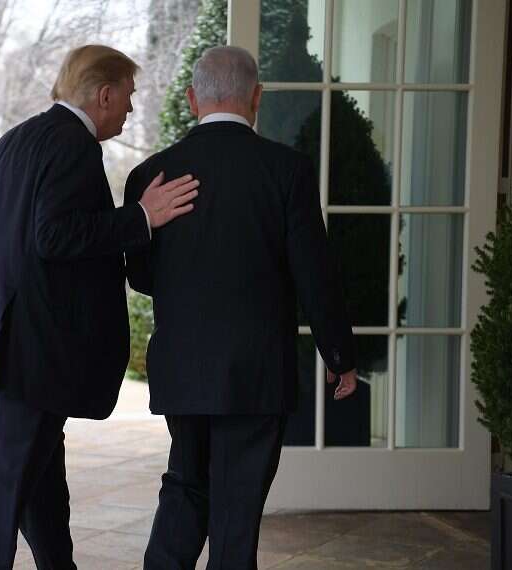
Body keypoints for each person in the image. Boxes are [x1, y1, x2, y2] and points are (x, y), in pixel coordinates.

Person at [0, 45, 199, 570]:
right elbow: (54, 235)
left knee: (38, 481)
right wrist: (141, 217)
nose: (130, 110)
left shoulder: (12, 142)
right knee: (1, 490)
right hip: (30, 355)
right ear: (104, 94)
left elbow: (19, 241)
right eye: (128, 97)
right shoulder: (73, 146)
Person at [125, 46, 358, 569]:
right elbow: (315, 274)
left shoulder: (150, 175)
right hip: (256, 371)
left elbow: (140, 274)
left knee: (185, 486)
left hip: (183, 368)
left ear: (191, 99)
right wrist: (338, 354)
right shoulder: (287, 170)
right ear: (256, 96)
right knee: (238, 506)